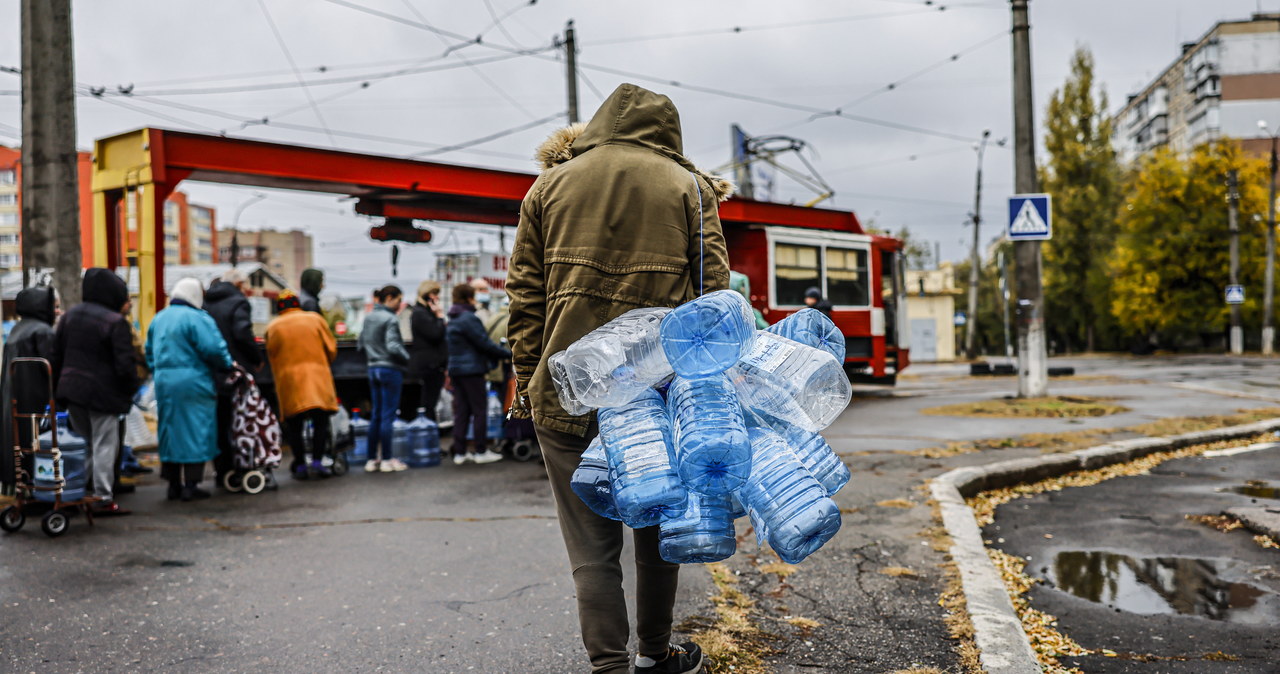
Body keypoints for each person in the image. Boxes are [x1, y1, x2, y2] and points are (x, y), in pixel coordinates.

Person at [507, 83, 732, 674]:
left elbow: (525, 299)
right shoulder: (689, 186)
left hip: (564, 386)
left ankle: (607, 664)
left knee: (590, 544)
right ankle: (655, 656)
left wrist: (527, 378)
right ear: (669, 132)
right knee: (657, 530)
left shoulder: (548, 186)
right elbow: (715, 298)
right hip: (657, 396)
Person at [52, 268, 141, 516]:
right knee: (104, 444)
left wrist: (58, 388)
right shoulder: (114, 322)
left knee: (84, 443)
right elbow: (125, 366)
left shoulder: (69, 317)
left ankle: (76, 493)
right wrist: (130, 391)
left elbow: (56, 355)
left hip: (72, 391)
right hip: (103, 394)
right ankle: (102, 497)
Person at [146, 278, 233, 501]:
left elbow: (149, 352)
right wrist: (227, 366)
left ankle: (173, 483)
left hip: (165, 382)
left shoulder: (159, 318)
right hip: (194, 381)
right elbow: (214, 349)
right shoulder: (197, 318)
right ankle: (191, 485)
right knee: (196, 429)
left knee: (170, 430)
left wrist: (160, 371)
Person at [266, 290, 339, 479]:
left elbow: (271, 355)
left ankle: (300, 465)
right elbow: (331, 349)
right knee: (321, 422)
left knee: (295, 425)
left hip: (289, 381)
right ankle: (317, 461)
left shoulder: (273, 327)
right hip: (317, 378)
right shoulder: (315, 319)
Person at [204, 269, 264, 487]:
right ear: (238, 285)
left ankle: (222, 469)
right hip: (235, 370)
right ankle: (241, 466)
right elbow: (242, 333)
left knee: (220, 422)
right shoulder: (239, 302)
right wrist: (256, 358)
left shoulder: (207, 302)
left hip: (213, 371)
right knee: (240, 421)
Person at [1, 287, 57, 496]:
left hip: (16, 399)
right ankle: (41, 490)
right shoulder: (42, 331)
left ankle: (20, 488)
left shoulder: (17, 330)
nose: (57, 311)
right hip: (36, 400)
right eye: (54, 306)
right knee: (38, 446)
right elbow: (53, 365)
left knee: (18, 444)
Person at [446, 283, 510, 466]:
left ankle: (460, 452)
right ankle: (480, 451)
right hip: (472, 370)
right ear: (468, 298)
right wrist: (507, 353)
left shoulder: (454, 317)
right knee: (479, 410)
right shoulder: (469, 318)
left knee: (462, 411)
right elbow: (484, 343)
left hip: (456, 369)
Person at [357, 285, 410, 473]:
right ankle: (387, 459)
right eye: (397, 300)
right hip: (389, 369)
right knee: (388, 416)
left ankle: (372, 460)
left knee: (376, 415)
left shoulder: (368, 317)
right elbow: (394, 346)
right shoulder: (391, 319)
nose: (398, 304)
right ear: (389, 298)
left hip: (373, 369)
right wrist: (407, 357)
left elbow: (360, 344)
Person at [409, 280, 447, 422]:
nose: (437, 298)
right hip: (429, 366)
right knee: (428, 403)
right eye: (435, 294)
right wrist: (440, 316)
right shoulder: (420, 313)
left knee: (431, 402)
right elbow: (436, 334)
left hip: (434, 365)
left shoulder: (425, 312)